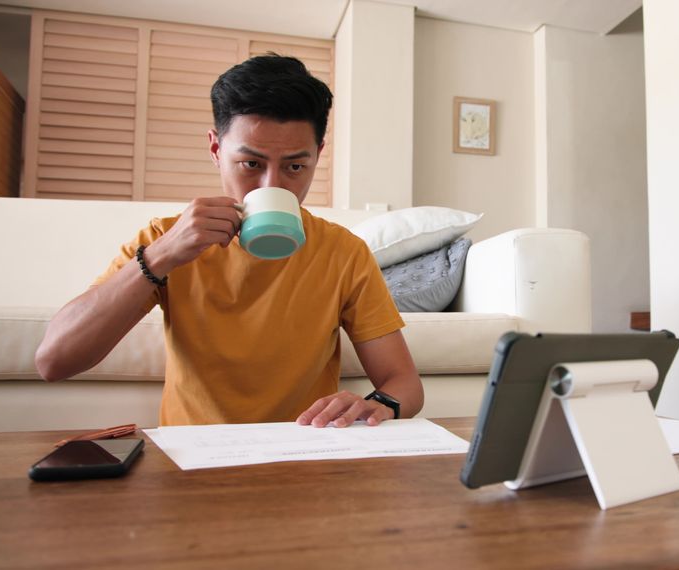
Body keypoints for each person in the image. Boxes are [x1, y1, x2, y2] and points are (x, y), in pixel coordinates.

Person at [34, 54, 423, 428]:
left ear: (318, 156)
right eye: (251, 164)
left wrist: (375, 405)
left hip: (304, 454)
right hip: (192, 459)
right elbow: (54, 362)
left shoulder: (343, 252)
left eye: (295, 167)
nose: (272, 184)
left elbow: (403, 382)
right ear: (216, 149)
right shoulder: (163, 238)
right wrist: (160, 258)